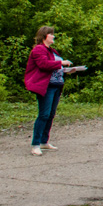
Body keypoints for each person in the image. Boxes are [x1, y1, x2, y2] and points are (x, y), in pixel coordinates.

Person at [24, 26, 72, 156]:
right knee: (44, 114)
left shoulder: (52, 51)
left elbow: (54, 66)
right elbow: (43, 64)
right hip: (46, 86)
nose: (53, 36)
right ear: (45, 35)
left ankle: (44, 141)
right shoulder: (39, 49)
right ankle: (35, 144)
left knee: (50, 114)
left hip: (56, 84)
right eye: (51, 34)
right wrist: (61, 63)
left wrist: (66, 69)